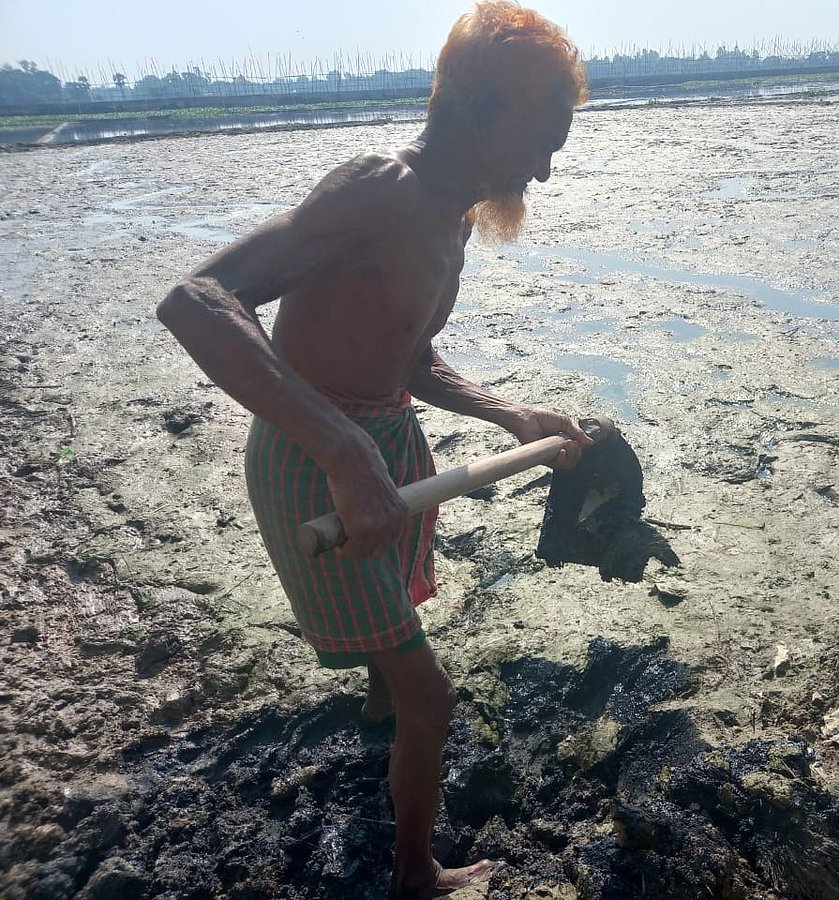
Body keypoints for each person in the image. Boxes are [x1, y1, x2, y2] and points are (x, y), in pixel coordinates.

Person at [156, 3, 592, 896]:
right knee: (435, 698)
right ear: (477, 109)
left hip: (388, 444)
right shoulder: (379, 189)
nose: (545, 171)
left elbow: (409, 351)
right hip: (315, 460)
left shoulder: (456, 219)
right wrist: (346, 452)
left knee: (398, 644)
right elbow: (198, 300)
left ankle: (377, 701)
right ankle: (413, 876)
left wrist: (510, 414)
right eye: (541, 139)